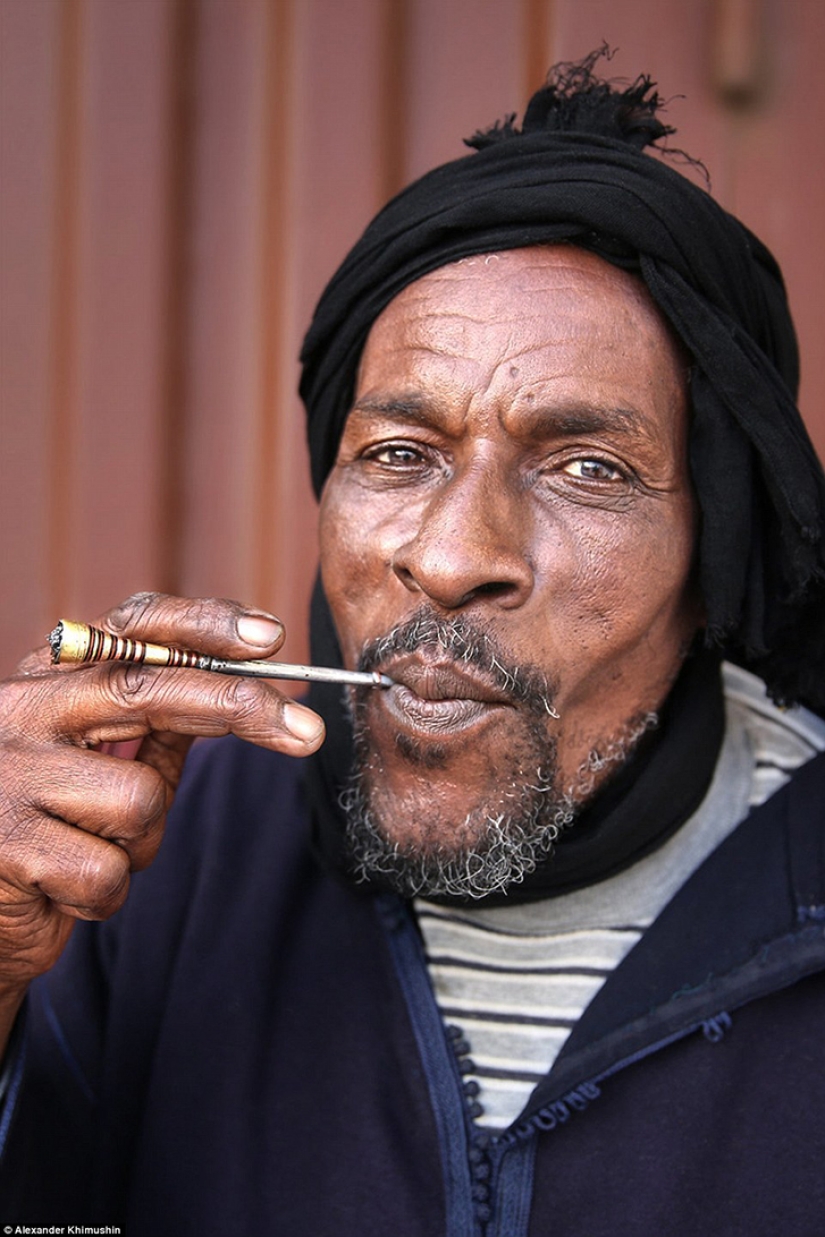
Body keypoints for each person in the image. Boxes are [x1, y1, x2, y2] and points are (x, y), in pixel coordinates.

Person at [1, 54, 824, 1236]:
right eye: (398, 453)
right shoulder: (134, 859)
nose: (450, 555)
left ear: (717, 552)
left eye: (588, 468)